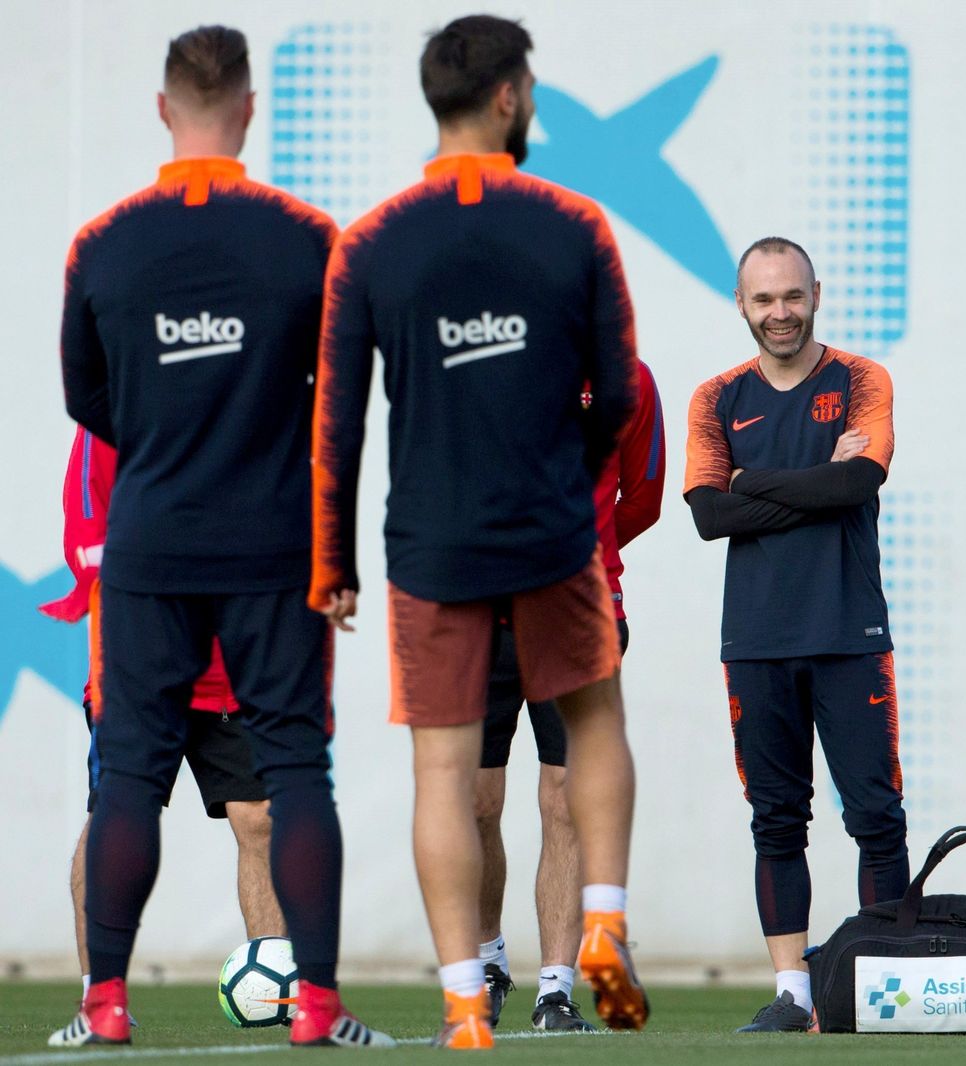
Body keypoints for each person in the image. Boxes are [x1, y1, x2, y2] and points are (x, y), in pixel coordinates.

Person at [310, 14, 647, 1048]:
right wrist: (568, 480)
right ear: (507, 96)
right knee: (594, 727)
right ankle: (601, 923)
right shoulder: (575, 224)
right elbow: (621, 392)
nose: (532, 100)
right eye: (530, 87)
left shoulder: (370, 241)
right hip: (551, 532)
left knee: (444, 779)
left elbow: (337, 419)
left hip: (432, 545)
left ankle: (465, 1001)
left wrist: (333, 562)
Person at [51, 25, 388, 1048]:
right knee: (296, 774)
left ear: (164, 110)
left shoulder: (101, 242)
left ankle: (103, 1005)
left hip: (149, 546)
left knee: (129, 777)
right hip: (271, 549)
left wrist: (169, 440)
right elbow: (341, 405)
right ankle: (316, 1006)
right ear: (248, 109)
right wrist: (329, 548)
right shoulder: (309, 238)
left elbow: (87, 400)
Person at [685, 236, 908, 1033]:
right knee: (777, 820)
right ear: (741, 305)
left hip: (850, 631)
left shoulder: (862, 380)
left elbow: (861, 480)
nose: (779, 313)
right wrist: (819, 481)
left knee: (876, 816)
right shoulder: (715, 398)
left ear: (816, 293)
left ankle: (881, 988)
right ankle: (794, 995)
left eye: (791, 296)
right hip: (756, 640)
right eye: (763, 299)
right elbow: (709, 514)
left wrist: (754, 483)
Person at [40, 428, 285, 1008]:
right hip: (139, 666)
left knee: (262, 820)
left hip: (229, 666)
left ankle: (278, 991)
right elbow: (85, 524)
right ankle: (100, 1000)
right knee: (118, 819)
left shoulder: (242, 403)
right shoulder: (111, 408)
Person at [475, 362, 665, 1032]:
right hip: (480, 611)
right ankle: (488, 962)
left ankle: (555, 990)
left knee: (564, 799)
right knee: (475, 802)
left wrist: (581, 551)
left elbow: (643, 498)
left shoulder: (628, 378)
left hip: (579, 613)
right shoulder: (480, 361)